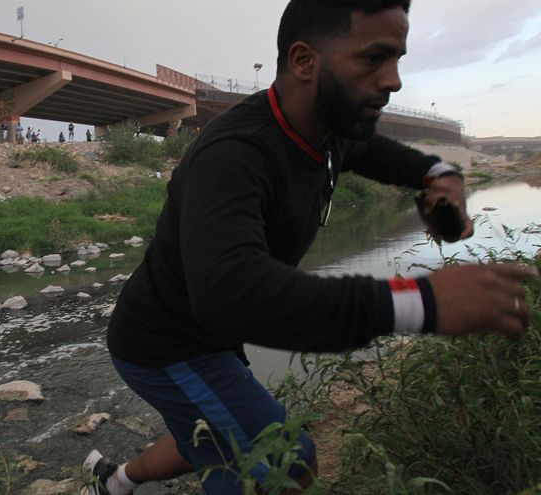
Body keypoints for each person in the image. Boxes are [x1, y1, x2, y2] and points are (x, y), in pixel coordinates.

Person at [81, 1, 539, 494]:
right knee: (286, 462)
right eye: (374, 58)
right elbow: (231, 292)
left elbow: (377, 152)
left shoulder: (329, 131)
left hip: (207, 336)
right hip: (167, 344)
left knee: (213, 432)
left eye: (398, 59)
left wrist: (438, 174)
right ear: (303, 61)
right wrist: (420, 303)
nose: (394, 80)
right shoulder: (235, 154)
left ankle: (116, 482)